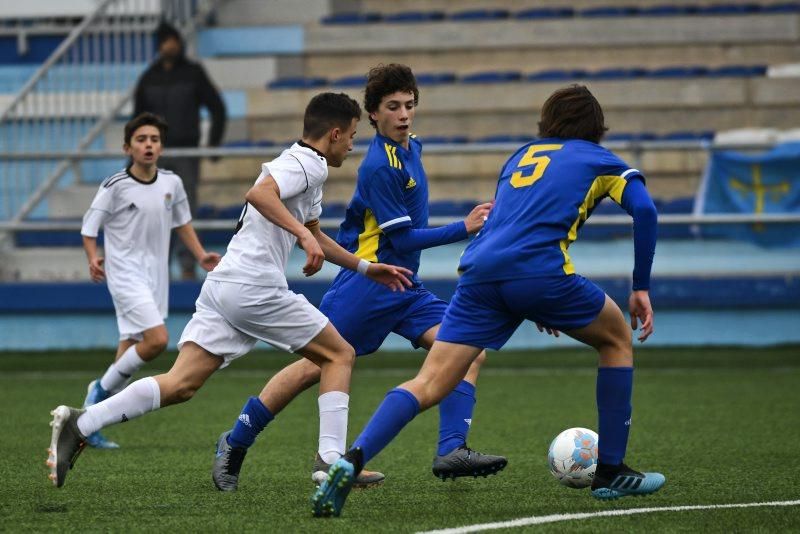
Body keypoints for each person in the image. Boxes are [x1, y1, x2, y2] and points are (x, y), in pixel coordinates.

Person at [311, 84, 664, 517]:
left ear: (547, 124)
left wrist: (532, 301)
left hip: (479, 273)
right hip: (538, 272)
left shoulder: (519, 157)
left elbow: (504, 223)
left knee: (428, 383)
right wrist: (640, 287)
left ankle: (350, 461)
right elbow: (645, 211)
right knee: (615, 340)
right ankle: (611, 471)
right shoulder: (599, 159)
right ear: (596, 128)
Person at [46, 92, 414, 489]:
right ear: (335, 133)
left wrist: (363, 267)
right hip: (253, 286)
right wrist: (302, 240)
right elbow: (259, 195)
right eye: (352, 136)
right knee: (339, 353)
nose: (353, 144)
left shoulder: (305, 166)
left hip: (225, 285)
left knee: (181, 383)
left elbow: (313, 233)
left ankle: (83, 420)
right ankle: (329, 462)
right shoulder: (307, 163)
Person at [211, 64, 505, 493]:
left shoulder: (413, 149)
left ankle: (452, 449)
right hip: (367, 287)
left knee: (467, 351)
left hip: (403, 286)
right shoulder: (378, 167)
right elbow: (401, 239)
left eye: (409, 105)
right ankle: (235, 442)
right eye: (392, 107)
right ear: (373, 115)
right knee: (313, 368)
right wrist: (464, 228)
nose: (403, 114)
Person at [80, 112, 221, 449]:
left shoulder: (171, 183)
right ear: (128, 147)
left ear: (161, 147)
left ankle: (91, 421)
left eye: (154, 140)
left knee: (130, 345)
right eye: (141, 140)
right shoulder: (114, 186)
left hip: (157, 276)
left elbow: (182, 223)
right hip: (124, 273)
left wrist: (200, 255)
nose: (148, 145)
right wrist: (92, 257)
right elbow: (89, 227)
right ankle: (97, 392)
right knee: (157, 339)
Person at [133, 21, 227, 280]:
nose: (170, 45)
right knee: (153, 211)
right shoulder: (148, 77)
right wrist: (135, 155)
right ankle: (156, 267)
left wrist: (213, 143)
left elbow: (217, 107)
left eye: (173, 40)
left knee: (185, 210)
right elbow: (137, 119)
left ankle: (187, 265)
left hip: (186, 152)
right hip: (155, 156)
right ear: (159, 45)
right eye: (165, 40)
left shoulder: (193, 73)